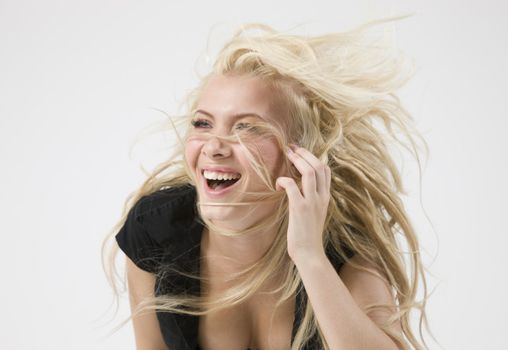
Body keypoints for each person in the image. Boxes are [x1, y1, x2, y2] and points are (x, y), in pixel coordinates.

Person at [102, 18, 432, 350]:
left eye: (247, 127)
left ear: (300, 155)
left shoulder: (344, 252)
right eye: (203, 123)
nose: (214, 146)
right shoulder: (156, 229)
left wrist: (309, 256)